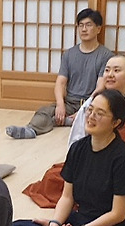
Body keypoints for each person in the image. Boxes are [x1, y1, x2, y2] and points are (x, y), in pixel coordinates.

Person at [13, 89, 125, 226]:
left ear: (116, 123)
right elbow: (67, 197)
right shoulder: (78, 148)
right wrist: (55, 223)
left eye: (100, 113)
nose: (91, 116)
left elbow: (117, 215)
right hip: (79, 221)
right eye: (90, 110)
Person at [23, 55, 125, 213]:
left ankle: (99, 198)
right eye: (107, 70)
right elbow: (77, 141)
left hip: (123, 168)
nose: (110, 74)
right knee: (53, 177)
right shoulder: (93, 102)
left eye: (116, 70)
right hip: (91, 163)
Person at [6, 8, 113, 139]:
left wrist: (85, 109)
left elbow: (100, 87)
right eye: (81, 25)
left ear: (98, 29)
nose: (84, 29)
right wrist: (60, 105)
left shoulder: (106, 56)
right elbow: (60, 83)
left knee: (98, 116)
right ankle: (31, 130)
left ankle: (69, 120)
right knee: (45, 111)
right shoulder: (69, 54)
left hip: (92, 103)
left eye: (88, 25)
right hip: (70, 102)